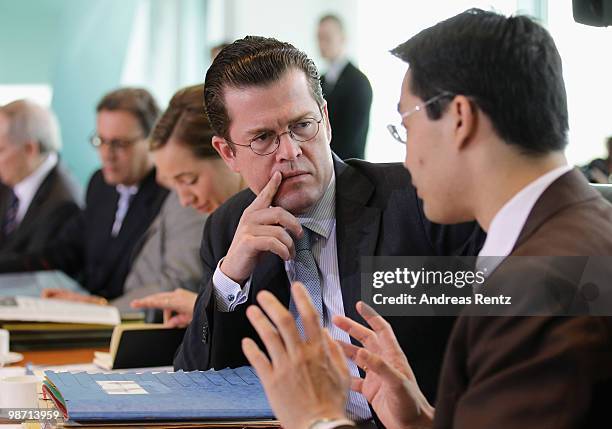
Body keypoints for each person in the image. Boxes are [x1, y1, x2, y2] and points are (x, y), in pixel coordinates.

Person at [241, 9, 612, 429]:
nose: (407, 156)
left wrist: (318, 419)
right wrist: (420, 422)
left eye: (406, 124)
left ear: (460, 119)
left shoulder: (545, 286)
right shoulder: (573, 240)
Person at [173, 36, 484, 423]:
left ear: (326, 120)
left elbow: (546, 303)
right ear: (228, 153)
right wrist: (229, 278)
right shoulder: (228, 229)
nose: (290, 151)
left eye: (302, 125)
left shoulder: (419, 200)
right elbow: (193, 380)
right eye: (264, 138)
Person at [0, 88, 168, 302]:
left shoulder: (169, 197)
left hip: (124, 317)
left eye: (119, 144)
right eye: (101, 141)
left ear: (152, 140)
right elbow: (62, 252)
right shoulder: (101, 184)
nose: (106, 155)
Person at [126, 84, 246, 321]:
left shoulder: (272, 218)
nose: (184, 200)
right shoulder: (221, 224)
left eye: (189, 180)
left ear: (226, 152)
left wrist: (203, 310)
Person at [0, 100, 81, 257]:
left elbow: (30, 264)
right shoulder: (11, 176)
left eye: (1, 150)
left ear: (30, 149)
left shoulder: (63, 203)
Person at [318, 14, 372, 160]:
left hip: (351, 168)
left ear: (343, 39)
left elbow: (350, 137)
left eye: (327, 38)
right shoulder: (319, 80)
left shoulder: (359, 82)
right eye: (319, 38)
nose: (322, 44)